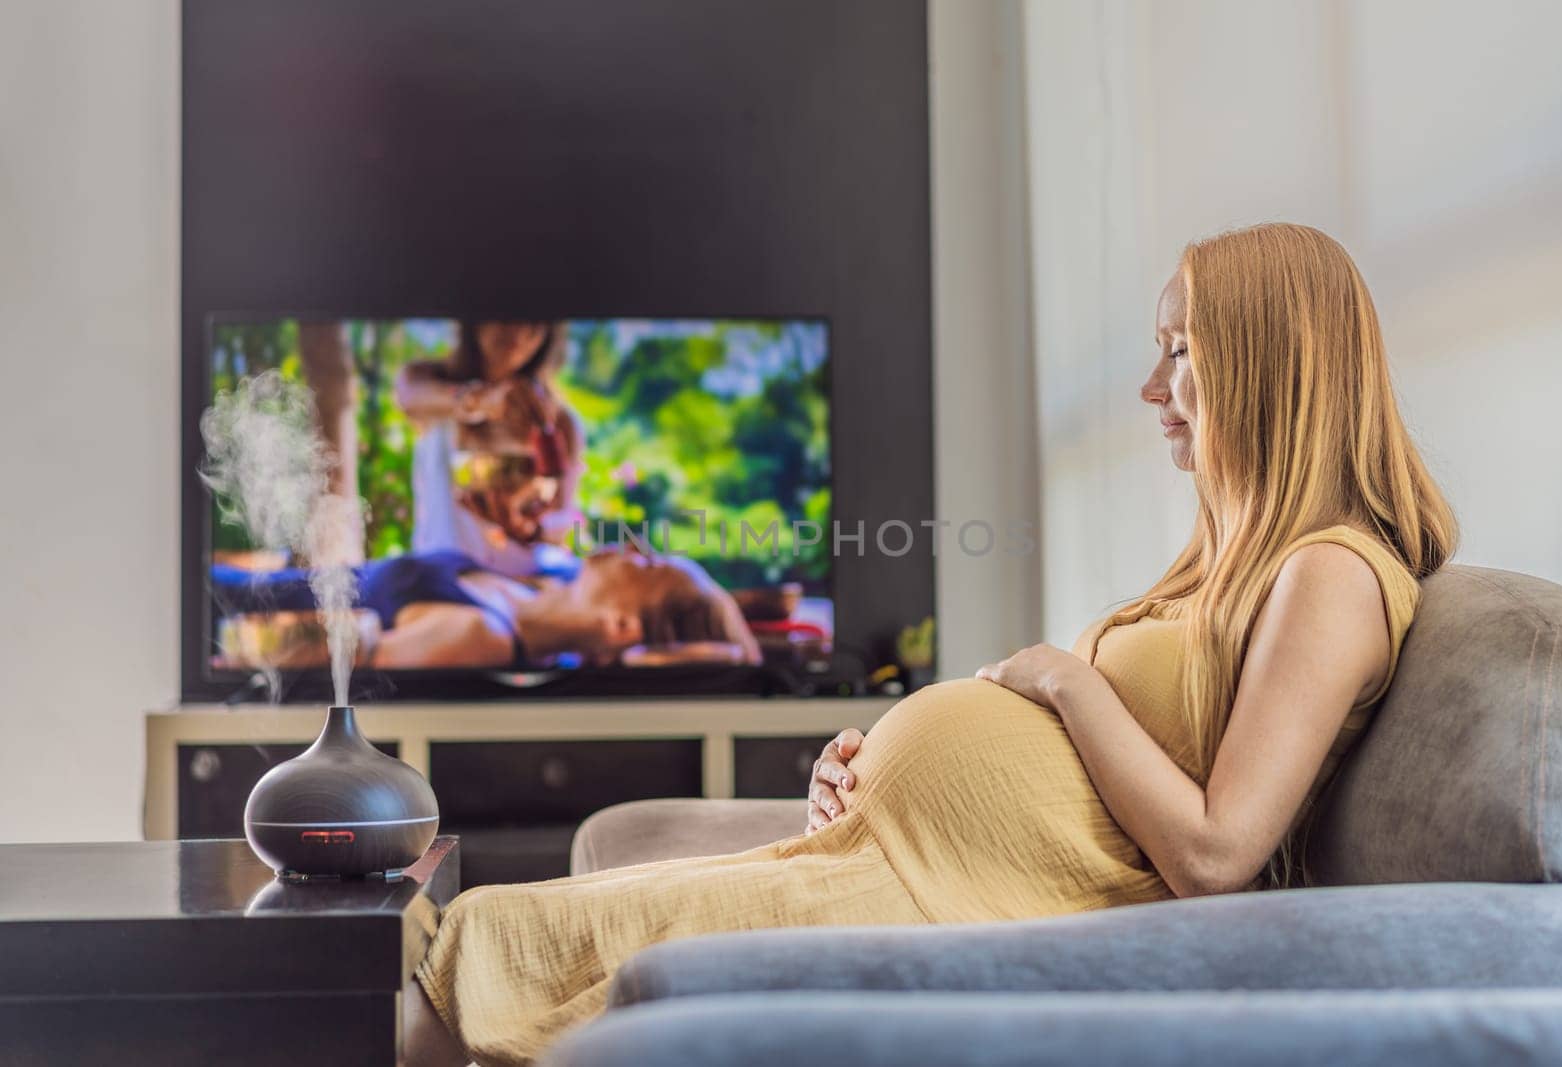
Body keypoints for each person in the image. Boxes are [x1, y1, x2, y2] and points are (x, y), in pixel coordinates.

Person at [399, 224, 1458, 1067]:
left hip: (946, 900)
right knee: (495, 933)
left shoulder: (1332, 573)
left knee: (482, 956)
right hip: (885, 859)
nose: (1150, 388)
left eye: (1178, 351)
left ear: (1267, 363)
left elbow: (1220, 855)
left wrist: (1063, 678)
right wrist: (871, 778)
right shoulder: (1227, 565)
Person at [212, 547, 761, 672]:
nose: (633, 549)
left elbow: (307, 650)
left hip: (220, 614)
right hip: (239, 579)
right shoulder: (539, 579)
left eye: (647, 567)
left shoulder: (482, 636)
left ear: (622, 624)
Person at [397, 320, 584, 576]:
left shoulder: (559, 421)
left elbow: (561, 520)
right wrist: (481, 401)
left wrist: (528, 530)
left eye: (535, 321)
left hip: (520, 581)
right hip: (442, 576)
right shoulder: (427, 382)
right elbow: (410, 398)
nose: (519, 330)